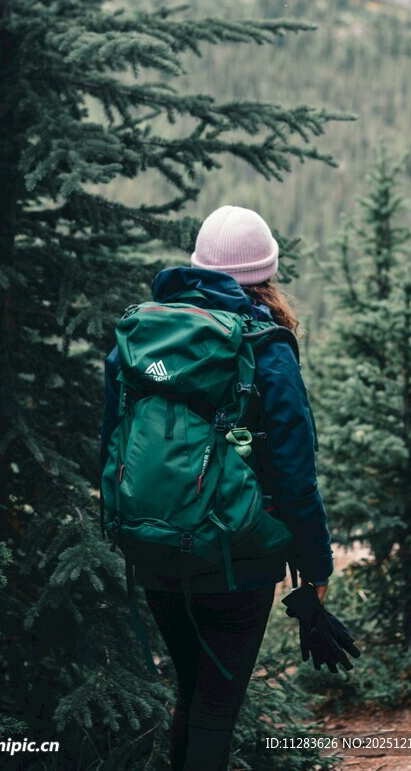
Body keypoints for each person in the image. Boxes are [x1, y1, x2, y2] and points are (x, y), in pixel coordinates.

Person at [99, 205, 334, 771]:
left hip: (153, 549)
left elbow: (110, 445)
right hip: (238, 559)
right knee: (215, 711)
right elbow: (296, 477)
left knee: (190, 694)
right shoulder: (266, 347)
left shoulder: (141, 338)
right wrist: (316, 568)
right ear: (265, 274)